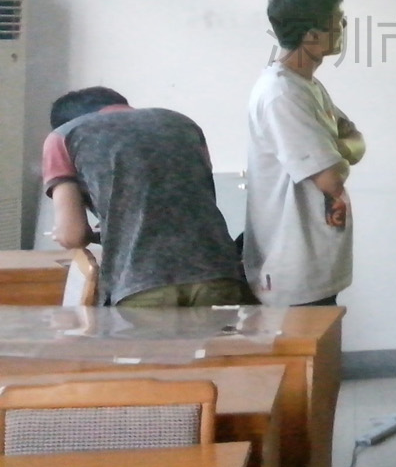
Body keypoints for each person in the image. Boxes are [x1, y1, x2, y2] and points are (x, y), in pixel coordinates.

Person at [41, 87, 246, 306]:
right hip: (220, 275)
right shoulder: (182, 124)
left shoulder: (63, 136)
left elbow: (73, 236)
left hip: (141, 284)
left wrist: (80, 233)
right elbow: (191, 199)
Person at [243, 0, 365, 307]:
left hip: (316, 263)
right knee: (308, 343)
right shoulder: (281, 94)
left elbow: (357, 140)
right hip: (292, 271)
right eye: (338, 19)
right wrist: (340, 153)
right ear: (311, 34)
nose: (344, 26)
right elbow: (331, 178)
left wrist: (337, 150)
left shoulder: (307, 85)